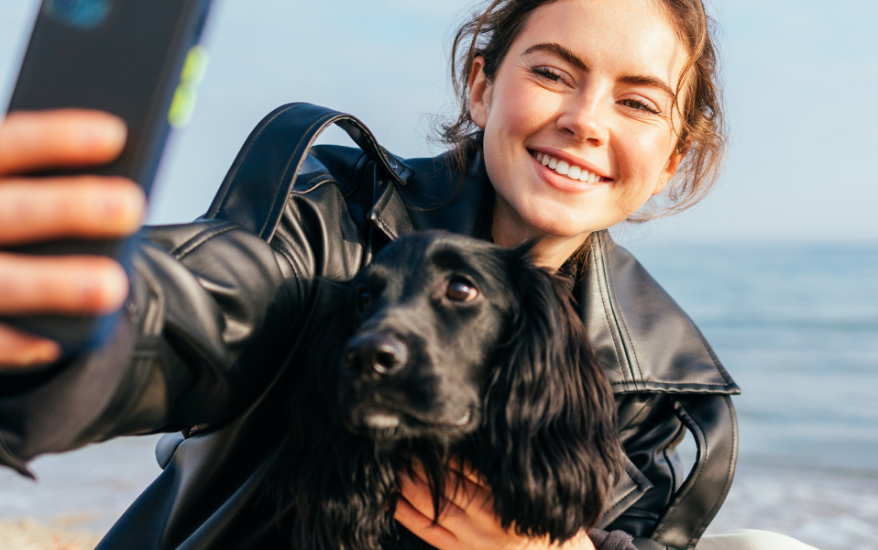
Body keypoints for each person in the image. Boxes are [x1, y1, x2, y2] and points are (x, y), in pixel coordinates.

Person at [0, 1, 819, 549]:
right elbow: (204, 306)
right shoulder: (330, 223)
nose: (584, 120)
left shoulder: (675, 409)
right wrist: (68, 312)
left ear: (673, 155)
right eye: (551, 72)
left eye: (637, 103)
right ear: (483, 83)